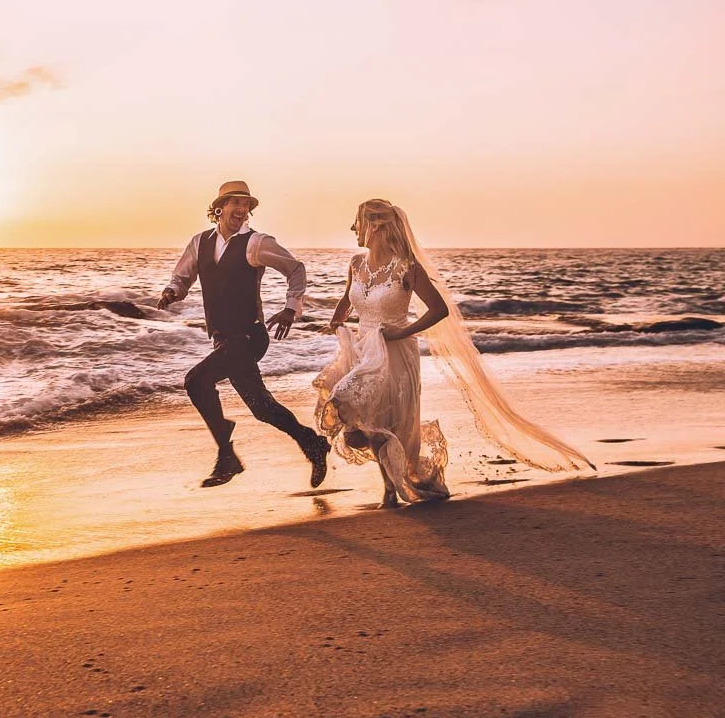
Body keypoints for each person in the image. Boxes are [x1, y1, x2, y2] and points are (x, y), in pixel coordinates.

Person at [313, 199, 594, 508]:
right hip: (363, 349)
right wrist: (336, 321)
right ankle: (394, 483)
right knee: (356, 426)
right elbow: (348, 299)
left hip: (396, 353)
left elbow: (438, 309)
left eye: (357, 222)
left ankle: (390, 491)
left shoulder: (406, 267)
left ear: (375, 225)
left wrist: (401, 332)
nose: (352, 228)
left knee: (374, 419)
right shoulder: (356, 264)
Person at [158, 180, 329, 488]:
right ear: (219, 208)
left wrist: (290, 308)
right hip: (223, 339)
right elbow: (182, 277)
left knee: (196, 380)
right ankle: (311, 442)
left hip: (250, 337)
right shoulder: (200, 242)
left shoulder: (256, 243)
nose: (241, 209)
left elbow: (296, 269)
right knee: (262, 408)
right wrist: (172, 292)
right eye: (235, 202)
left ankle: (227, 455)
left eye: (246, 204)